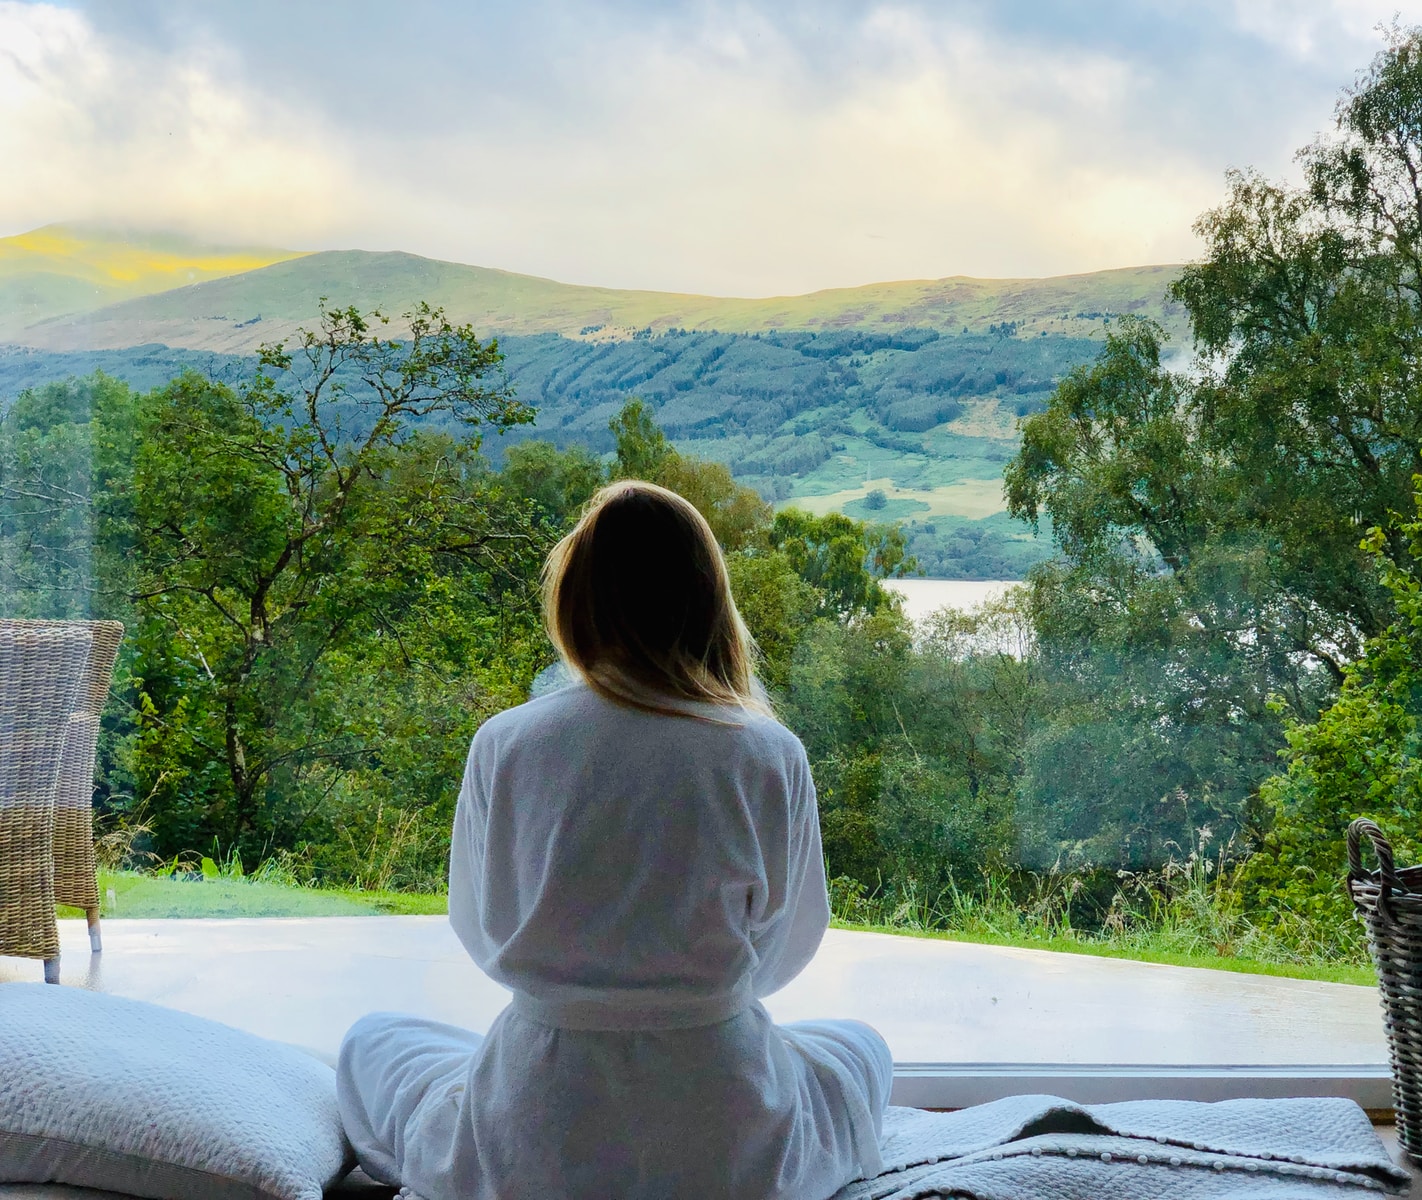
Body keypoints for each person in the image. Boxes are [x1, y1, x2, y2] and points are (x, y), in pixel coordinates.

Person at [337, 480, 893, 1200]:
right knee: (860, 1048)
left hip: (535, 1120)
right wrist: (695, 999)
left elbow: (480, 928)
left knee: (372, 1042)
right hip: (723, 1129)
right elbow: (789, 942)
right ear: (708, 601)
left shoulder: (505, 742)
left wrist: (580, 993)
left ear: (576, 602)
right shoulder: (766, 750)